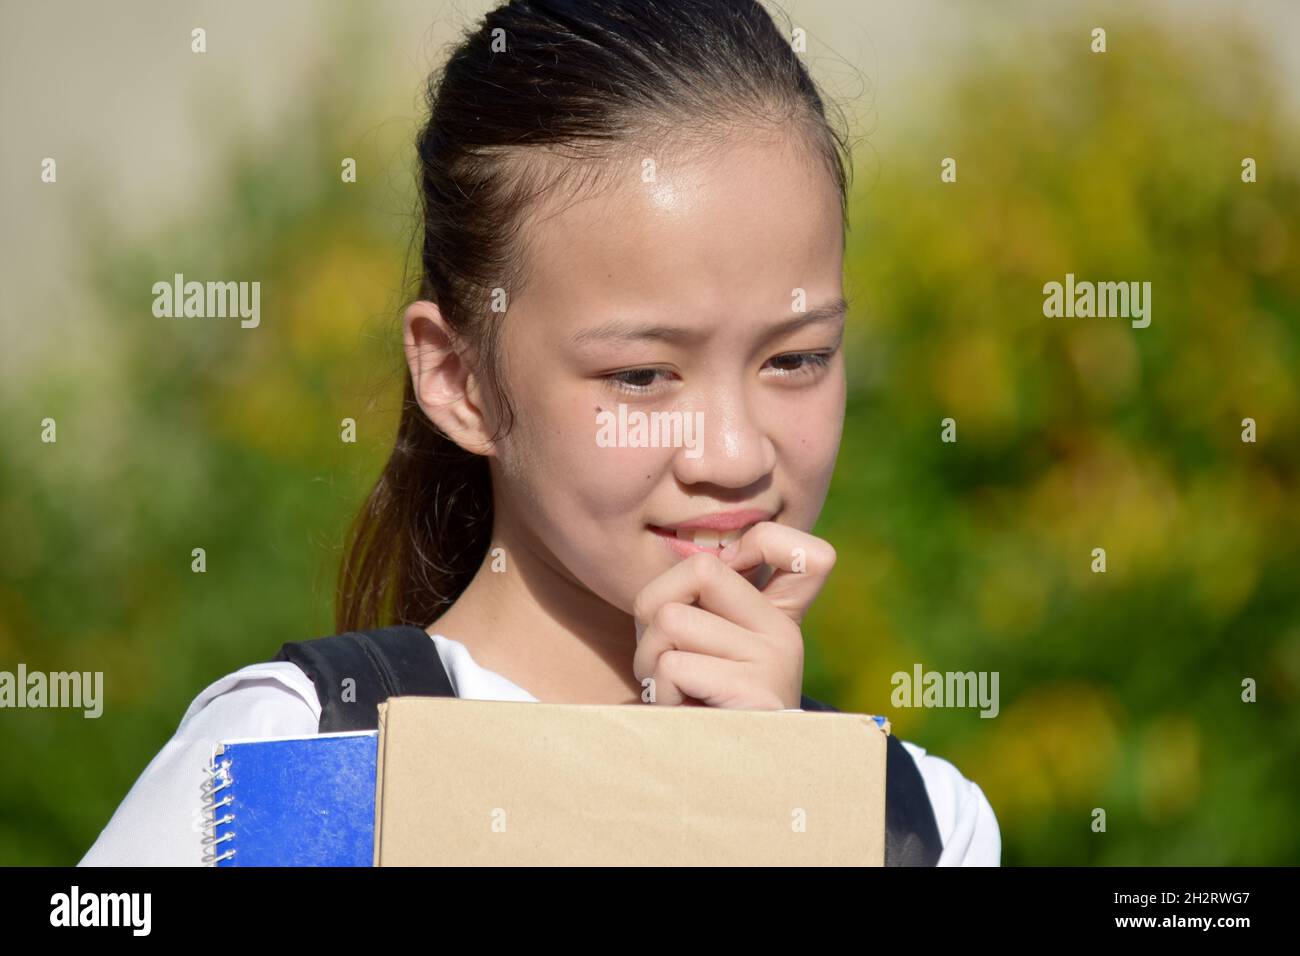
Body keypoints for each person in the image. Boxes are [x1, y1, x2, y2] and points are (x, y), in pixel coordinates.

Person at [80, 0, 1000, 866]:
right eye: (640, 376)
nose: (735, 455)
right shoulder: (296, 766)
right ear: (459, 378)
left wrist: (779, 803)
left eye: (797, 359)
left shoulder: (917, 824)